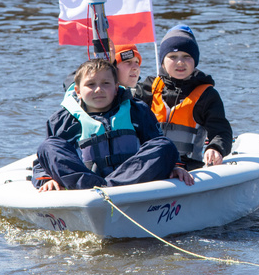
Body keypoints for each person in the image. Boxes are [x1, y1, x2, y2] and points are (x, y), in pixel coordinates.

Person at [33, 58, 194, 191]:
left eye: (106, 84)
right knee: (48, 146)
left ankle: (109, 188)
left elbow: (156, 143)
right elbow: (45, 160)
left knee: (165, 145)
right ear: (77, 91)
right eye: (91, 84)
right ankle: (96, 189)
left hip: (131, 181)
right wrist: (47, 178)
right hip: (84, 188)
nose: (98, 90)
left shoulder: (136, 110)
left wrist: (175, 166)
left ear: (117, 88)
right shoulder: (63, 119)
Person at [135, 25, 233, 171]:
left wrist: (215, 148)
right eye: (173, 57)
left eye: (186, 57)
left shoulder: (207, 95)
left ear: (195, 61)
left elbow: (221, 132)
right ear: (162, 61)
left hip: (188, 167)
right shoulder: (147, 88)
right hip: (149, 163)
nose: (180, 62)